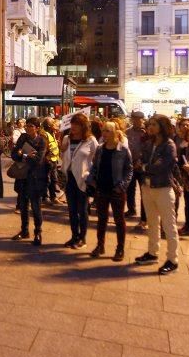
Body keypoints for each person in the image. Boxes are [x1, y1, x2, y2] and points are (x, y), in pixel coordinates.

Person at [135, 114, 180, 275]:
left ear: (162, 126)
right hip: (147, 187)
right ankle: (152, 252)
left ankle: (172, 260)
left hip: (163, 188)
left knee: (168, 225)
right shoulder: (149, 143)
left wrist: (145, 167)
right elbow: (141, 161)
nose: (150, 127)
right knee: (152, 223)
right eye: (149, 124)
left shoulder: (169, 145)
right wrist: (145, 165)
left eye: (154, 124)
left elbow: (164, 166)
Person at [86, 122, 132, 261]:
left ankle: (120, 248)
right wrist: (91, 179)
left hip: (116, 189)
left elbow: (129, 169)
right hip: (101, 188)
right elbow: (95, 166)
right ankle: (100, 245)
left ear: (114, 132)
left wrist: (122, 186)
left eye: (107, 131)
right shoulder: (100, 149)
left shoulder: (123, 149)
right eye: (103, 130)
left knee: (119, 220)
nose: (104, 133)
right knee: (101, 219)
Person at [61, 113, 99, 249]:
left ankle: (82, 238)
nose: (73, 127)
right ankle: (74, 236)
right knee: (71, 210)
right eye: (72, 124)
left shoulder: (90, 140)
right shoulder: (66, 138)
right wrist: (62, 150)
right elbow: (64, 156)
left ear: (83, 126)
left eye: (76, 124)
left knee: (82, 210)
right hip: (69, 178)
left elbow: (97, 159)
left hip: (82, 179)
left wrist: (90, 174)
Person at [11, 117, 47, 245]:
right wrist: (26, 155)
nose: (27, 128)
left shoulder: (42, 140)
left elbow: (38, 160)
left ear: (37, 128)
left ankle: (38, 232)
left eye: (31, 126)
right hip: (22, 177)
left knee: (36, 207)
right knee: (23, 205)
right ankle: (24, 230)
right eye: (27, 125)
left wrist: (22, 154)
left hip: (36, 178)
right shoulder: (23, 138)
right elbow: (14, 154)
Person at [125, 111, 148, 228]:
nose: (136, 121)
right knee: (130, 188)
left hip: (142, 166)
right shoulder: (128, 132)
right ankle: (131, 209)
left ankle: (145, 217)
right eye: (134, 119)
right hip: (130, 164)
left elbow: (148, 149)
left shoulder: (146, 132)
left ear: (142, 119)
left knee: (144, 191)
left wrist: (141, 161)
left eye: (138, 119)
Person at [41, 118, 63, 205]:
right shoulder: (45, 135)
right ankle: (45, 197)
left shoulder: (52, 133)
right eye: (53, 123)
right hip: (48, 161)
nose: (55, 125)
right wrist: (47, 159)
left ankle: (53, 197)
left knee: (54, 179)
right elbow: (44, 149)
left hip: (53, 160)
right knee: (47, 179)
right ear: (49, 125)